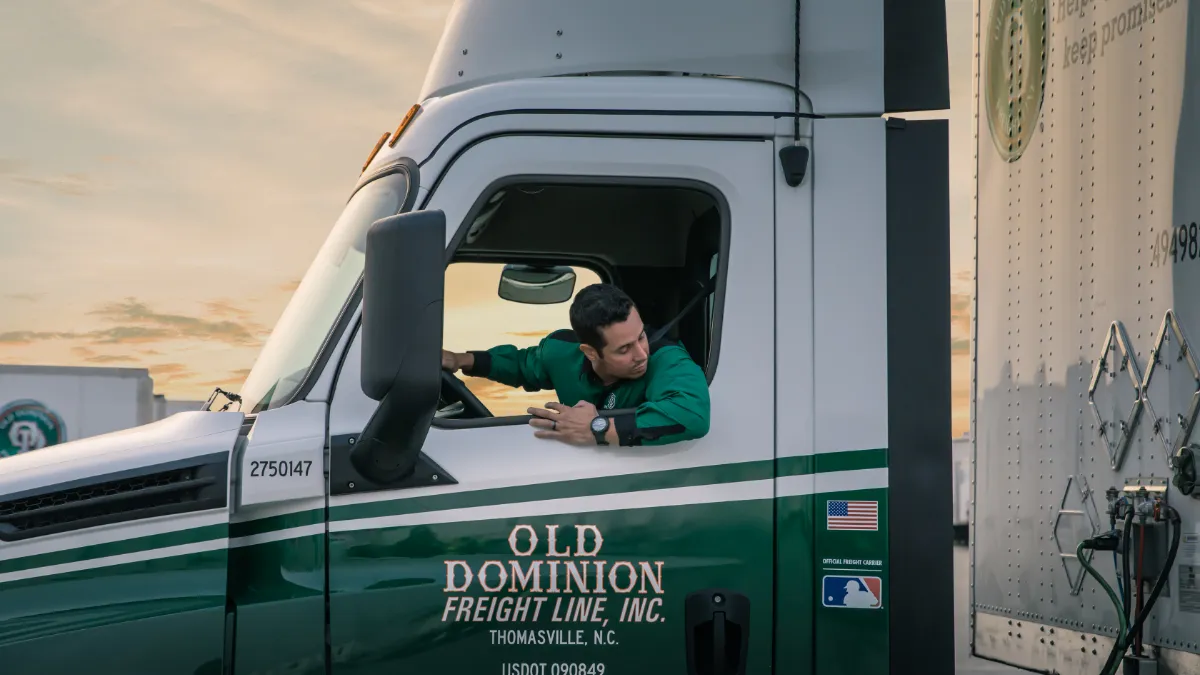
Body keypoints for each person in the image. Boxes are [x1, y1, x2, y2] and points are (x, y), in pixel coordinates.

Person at [441, 283, 711, 447]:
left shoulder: (666, 358)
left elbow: (692, 415)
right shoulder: (560, 352)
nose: (641, 354)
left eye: (641, 336)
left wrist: (598, 428)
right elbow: (523, 364)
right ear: (590, 353)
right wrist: (461, 359)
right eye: (624, 349)